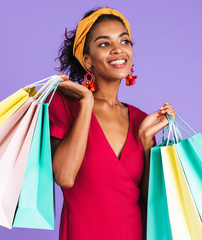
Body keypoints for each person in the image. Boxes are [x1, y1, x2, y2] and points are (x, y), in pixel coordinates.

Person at [47, 7, 175, 240]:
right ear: (87, 60)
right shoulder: (63, 105)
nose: (118, 49)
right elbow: (64, 177)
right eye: (104, 44)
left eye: (124, 41)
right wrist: (86, 103)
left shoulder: (140, 119)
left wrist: (147, 141)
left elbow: (151, 204)